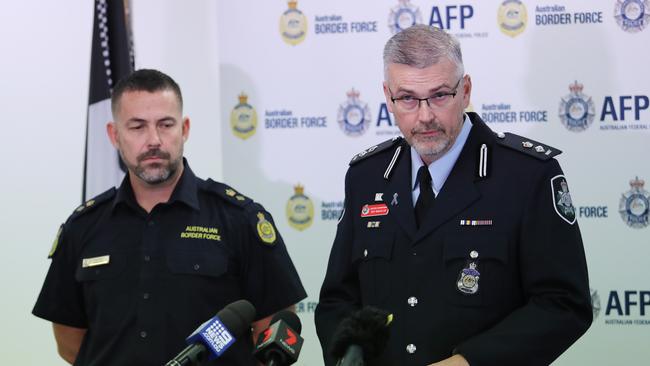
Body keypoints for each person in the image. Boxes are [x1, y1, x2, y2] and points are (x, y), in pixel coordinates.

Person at [315, 25, 592, 366]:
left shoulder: (527, 174)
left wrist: (468, 362)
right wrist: (348, 353)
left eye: (440, 95)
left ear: (466, 90)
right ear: (388, 97)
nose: (426, 115)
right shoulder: (366, 176)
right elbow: (337, 300)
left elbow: (563, 304)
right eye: (408, 99)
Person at [33, 69, 307, 365]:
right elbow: (70, 343)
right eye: (137, 127)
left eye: (165, 125)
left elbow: (273, 328)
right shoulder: (83, 227)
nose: (153, 140)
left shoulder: (239, 219)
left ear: (184, 129)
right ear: (114, 135)